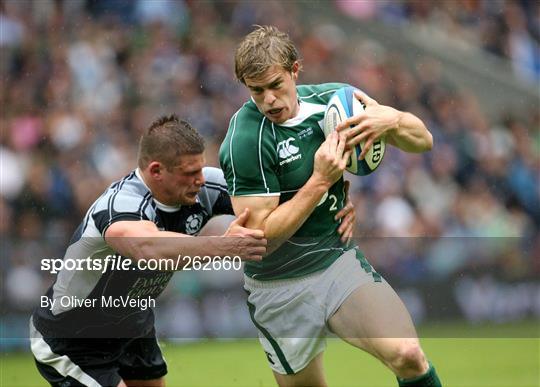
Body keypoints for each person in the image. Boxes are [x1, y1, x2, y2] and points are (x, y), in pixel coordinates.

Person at [219, 26, 442, 387]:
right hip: (278, 287)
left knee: (407, 355)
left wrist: (393, 120)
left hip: (335, 262)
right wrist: (320, 182)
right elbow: (258, 240)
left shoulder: (335, 102)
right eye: (256, 91)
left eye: (276, 84)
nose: (270, 100)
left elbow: (424, 141)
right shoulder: (245, 139)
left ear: (295, 69)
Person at [29, 115, 268, 387]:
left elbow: (263, 201)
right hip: (72, 338)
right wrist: (226, 246)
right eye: (190, 173)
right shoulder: (121, 205)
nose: (200, 180)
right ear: (156, 171)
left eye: (200, 169)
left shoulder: (204, 186)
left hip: (133, 325)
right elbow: (150, 250)